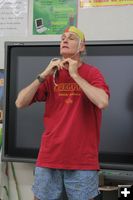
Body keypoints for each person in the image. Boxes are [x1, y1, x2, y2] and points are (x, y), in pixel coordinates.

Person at [15, 26, 110, 200]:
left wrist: (75, 75)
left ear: (82, 47)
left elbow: (102, 101)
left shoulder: (92, 73)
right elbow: (20, 102)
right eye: (63, 38)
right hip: (48, 159)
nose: (65, 40)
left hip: (82, 162)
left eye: (71, 38)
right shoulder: (51, 75)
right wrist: (43, 74)